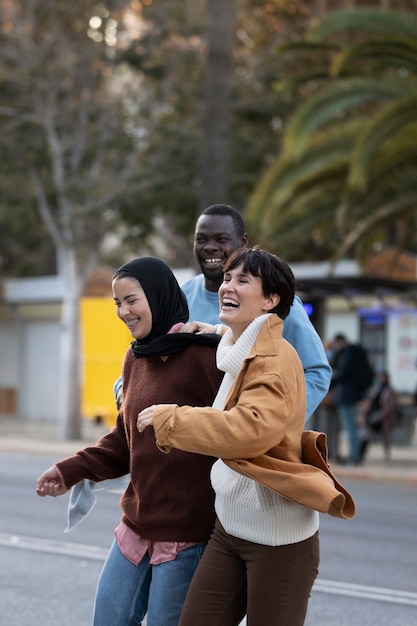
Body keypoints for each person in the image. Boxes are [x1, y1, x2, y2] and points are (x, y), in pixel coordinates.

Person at [138, 247, 355, 626]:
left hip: (278, 541)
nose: (228, 286)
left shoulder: (276, 360)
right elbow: (242, 354)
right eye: (227, 278)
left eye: (243, 280)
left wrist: (172, 419)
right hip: (229, 531)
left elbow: (249, 430)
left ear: (271, 300)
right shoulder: (241, 347)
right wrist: (218, 331)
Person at [36, 257, 224, 626]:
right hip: (136, 527)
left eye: (131, 300)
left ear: (157, 296)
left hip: (188, 537)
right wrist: (68, 470)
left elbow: (233, 433)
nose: (123, 312)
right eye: (117, 303)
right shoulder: (135, 358)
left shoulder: (207, 356)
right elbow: (124, 439)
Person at [181, 203, 332, 420]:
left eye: (221, 239)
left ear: (242, 242)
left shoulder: (277, 304)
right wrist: (123, 387)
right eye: (201, 239)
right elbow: (150, 355)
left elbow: (317, 372)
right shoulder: (180, 297)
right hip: (194, 439)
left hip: (254, 444)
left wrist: (277, 422)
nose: (210, 247)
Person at [331, 333, 373, 465]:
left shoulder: (346, 354)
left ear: (339, 341)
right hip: (354, 394)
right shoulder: (355, 352)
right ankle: (354, 455)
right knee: (352, 426)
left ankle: (353, 456)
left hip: (345, 395)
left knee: (349, 427)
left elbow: (342, 373)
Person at [358, 371, 399, 461]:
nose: (381, 380)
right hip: (371, 418)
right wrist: (363, 415)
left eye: (383, 378)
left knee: (372, 433)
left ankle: (360, 454)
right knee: (363, 433)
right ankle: (359, 454)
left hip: (383, 419)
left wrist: (379, 415)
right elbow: (368, 404)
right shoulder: (375, 390)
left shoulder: (389, 391)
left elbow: (391, 407)